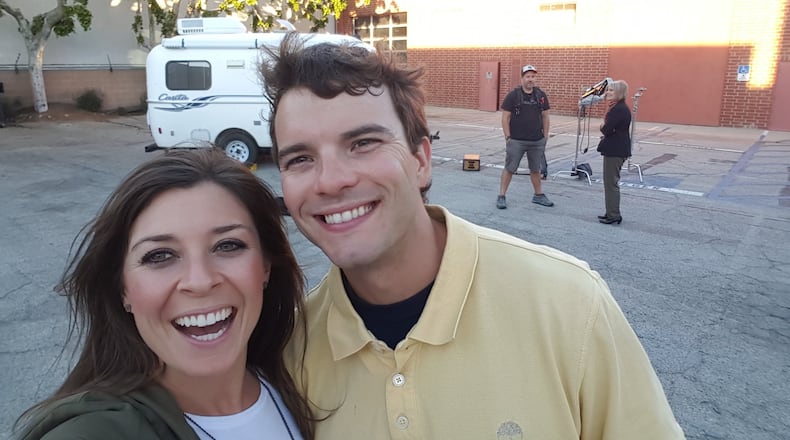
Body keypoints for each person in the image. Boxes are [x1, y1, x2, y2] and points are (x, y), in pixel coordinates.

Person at [260, 33, 685, 439]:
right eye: (300, 158)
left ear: (421, 161)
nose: (330, 181)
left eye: (363, 143)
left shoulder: (569, 305)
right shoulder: (293, 351)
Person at [15, 149, 314, 440]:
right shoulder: (97, 430)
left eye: (227, 245)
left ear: (265, 267)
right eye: (159, 256)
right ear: (122, 288)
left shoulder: (307, 380)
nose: (200, 281)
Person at [497, 64, 553, 209]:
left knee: (535, 170)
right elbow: (505, 117)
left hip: (536, 141)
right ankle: (502, 196)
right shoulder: (513, 95)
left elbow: (546, 117)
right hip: (516, 140)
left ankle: (538, 195)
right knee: (510, 168)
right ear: (522, 78)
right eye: (528, 76)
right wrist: (508, 137)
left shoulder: (541, 96)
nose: (530, 79)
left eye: (533, 76)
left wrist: (545, 137)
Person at [596, 80, 632, 225]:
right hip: (616, 148)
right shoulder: (618, 108)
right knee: (609, 182)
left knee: (611, 183)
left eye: (611, 90)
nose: (608, 93)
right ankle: (610, 211)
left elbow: (606, 129)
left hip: (615, 150)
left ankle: (613, 214)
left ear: (619, 93)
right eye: (608, 90)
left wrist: (602, 126)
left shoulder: (618, 109)